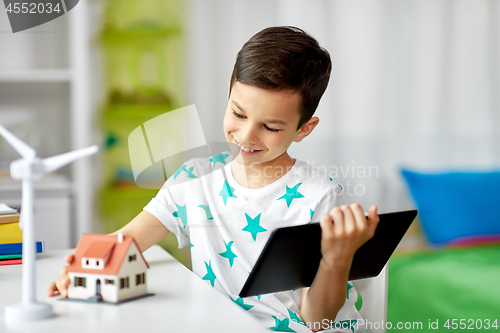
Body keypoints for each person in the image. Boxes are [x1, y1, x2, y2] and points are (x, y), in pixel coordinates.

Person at [48, 26, 379, 332]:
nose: (246, 135)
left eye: (271, 127)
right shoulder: (193, 179)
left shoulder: (319, 196)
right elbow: (127, 240)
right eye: (238, 113)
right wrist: (81, 270)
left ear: (303, 129)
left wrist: (337, 259)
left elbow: (317, 319)